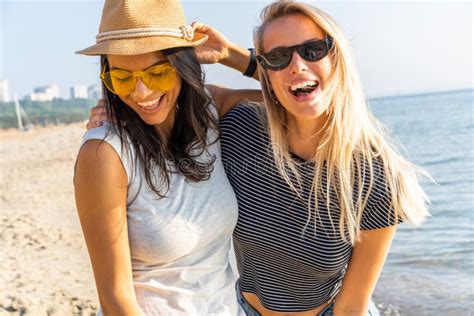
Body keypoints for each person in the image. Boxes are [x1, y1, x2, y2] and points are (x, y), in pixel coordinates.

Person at [87, 1, 429, 315]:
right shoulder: (241, 127)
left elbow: (352, 305)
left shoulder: (377, 176)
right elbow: (273, 98)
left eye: (313, 50)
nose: (297, 65)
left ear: (338, 58)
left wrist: (236, 57)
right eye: (278, 57)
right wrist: (120, 106)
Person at [74, 0, 261, 315]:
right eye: (122, 78)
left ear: (183, 65)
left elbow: (300, 99)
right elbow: (115, 299)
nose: (141, 92)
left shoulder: (209, 111)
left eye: (157, 73)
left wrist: (233, 56)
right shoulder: (104, 153)